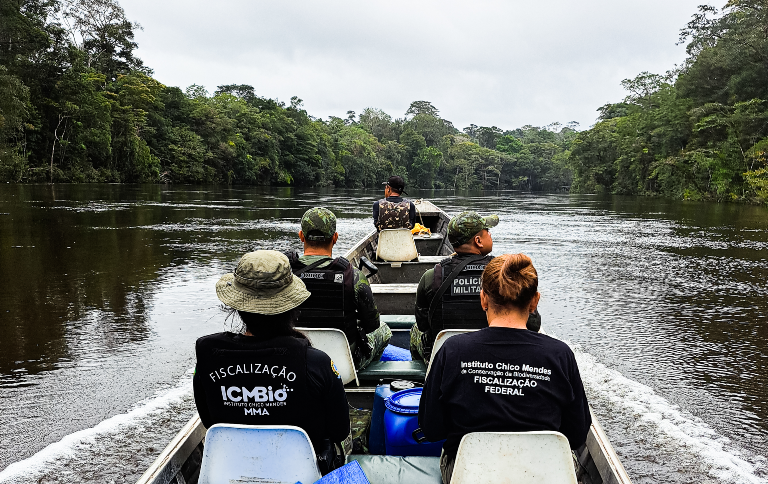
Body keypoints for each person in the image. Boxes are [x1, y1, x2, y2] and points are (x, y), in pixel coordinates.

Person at [417, 254, 591, 484]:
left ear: (483, 300)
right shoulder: (560, 355)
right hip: (543, 475)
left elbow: (431, 429)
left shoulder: (452, 350)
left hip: (471, 475)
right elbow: (577, 434)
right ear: (534, 302)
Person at [193, 250, 351, 473]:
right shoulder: (317, 362)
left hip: (233, 471)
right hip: (302, 475)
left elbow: (209, 420)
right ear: (291, 306)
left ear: (239, 307)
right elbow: (339, 430)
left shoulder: (208, 356)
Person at [410, 211, 541, 361]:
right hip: (497, 357)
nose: (490, 235)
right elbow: (533, 324)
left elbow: (423, 325)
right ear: (478, 241)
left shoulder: (432, 277)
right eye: (488, 231)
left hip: (448, 359)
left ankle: (423, 378)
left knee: (415, 331)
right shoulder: (507, 275)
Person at [286, 207, 392, 369]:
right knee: (384, 330)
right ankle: (364, 377)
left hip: (294, 359)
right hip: (342, 365)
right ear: (335, 238)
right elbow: (372, 324)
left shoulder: (283, 274)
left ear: (301, 236)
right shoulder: (354, 276)